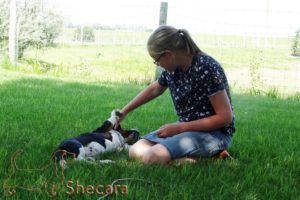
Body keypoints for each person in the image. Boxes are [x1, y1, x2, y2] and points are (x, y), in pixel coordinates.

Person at [117, 25, 235, 165]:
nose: (158, 65)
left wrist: (179, 128)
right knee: (135, 150)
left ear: (168, 55)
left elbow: (225, 117)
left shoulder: (206, 68)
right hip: (186, 130)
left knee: (151, 157)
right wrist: (124, 111)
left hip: (214, 134)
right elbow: (155, 89)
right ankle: (187, 159)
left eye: (157, 60)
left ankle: (211, 154)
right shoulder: (173, 69)